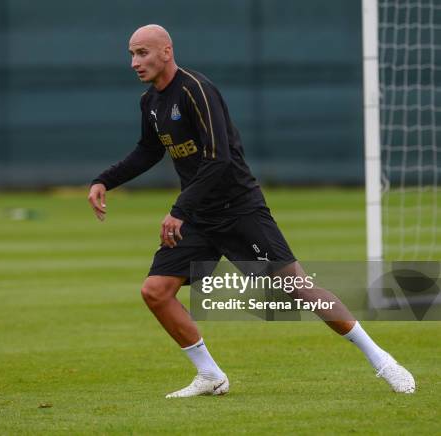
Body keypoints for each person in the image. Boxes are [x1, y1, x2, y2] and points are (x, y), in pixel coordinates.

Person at [87, 24, 415, 397]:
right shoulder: (152, 103)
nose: (134, 62)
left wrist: (179, 209)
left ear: (166, 51)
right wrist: (104, 180)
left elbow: (219, 158)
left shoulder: (196, 90)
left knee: (298, 289)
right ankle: (210, 375)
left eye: (142, 53)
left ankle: (382, 360)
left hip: (239, 210)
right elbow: (148, 151)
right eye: (131, 54)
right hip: (199, 217)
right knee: (156, 292)